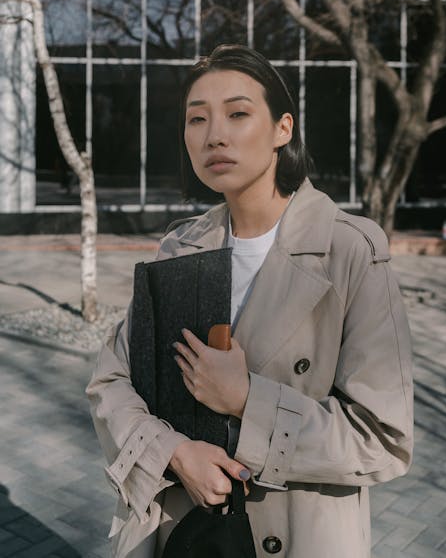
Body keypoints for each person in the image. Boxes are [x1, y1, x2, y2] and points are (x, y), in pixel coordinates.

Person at [87, 44, 413, 558]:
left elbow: (383, 439)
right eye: (197, 119)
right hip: (187, 538)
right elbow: (110, 381)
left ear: (284, 129)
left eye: (238, 113)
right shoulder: (180, 246)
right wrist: (172, 452)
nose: (214, 134)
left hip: (299, 537)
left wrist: (246, 401)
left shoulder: (350, 250)